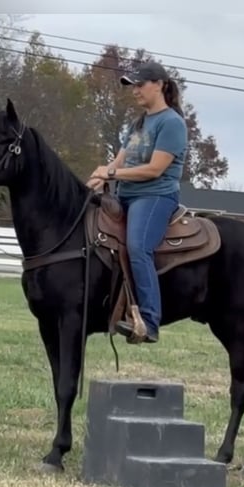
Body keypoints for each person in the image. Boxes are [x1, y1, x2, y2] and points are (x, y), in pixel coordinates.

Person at [87, 61, 188, 344]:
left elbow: (155, 169)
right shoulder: (138, 123)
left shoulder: (172, 123)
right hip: (125, 195)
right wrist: (95, 180)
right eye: (132, 86)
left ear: (159, 85)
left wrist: (112, 173)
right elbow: (118, 161)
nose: (135, 91)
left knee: (137, 247)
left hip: (155, 196)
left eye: (139, 85)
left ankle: (149, 322)